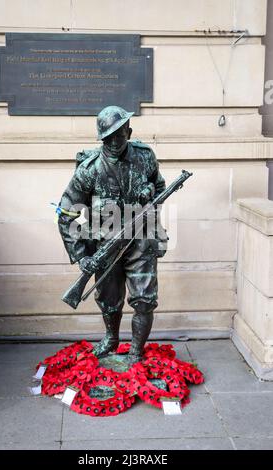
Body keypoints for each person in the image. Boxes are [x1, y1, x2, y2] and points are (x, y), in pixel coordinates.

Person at [58, 105, 167, 364]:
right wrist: (81, 256)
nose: (115, 142)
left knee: (144, 299)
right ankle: (111, 338)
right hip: (104, 243)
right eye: (108, 138)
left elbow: (160, 186)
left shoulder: (145, 156)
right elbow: (67, 214)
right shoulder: (89, 169)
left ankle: (136, 352)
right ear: (101, 138)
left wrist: (150, 192)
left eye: (120, 135)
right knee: (108, 299)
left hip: (140, 240)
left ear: (129, 132)